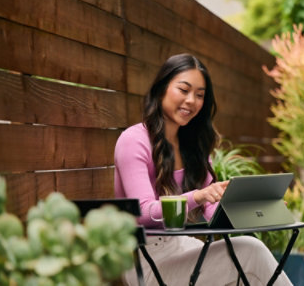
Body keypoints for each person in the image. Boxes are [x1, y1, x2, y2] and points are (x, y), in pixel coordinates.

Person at [114, 53, 292, 286]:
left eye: (200, 95)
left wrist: (253, 208)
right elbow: (144, 213)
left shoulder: (192, 145)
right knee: (250, 251)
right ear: (161, 89)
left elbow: (210, 209)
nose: (191, 101)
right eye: (183, 90)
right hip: (146, 261)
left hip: (183, 247)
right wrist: (198, 195)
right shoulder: (133, 140)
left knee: (245, 262)